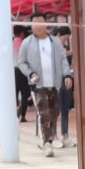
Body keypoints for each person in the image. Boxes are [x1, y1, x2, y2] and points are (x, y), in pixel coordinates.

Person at [16, 14, 68, 156]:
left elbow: (63, 59)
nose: (37, 26)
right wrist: (30, 73)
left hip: (55, 84)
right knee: (44, 113)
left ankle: (48, 138)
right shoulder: (27, 43)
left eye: (40, 23)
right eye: (34, 24)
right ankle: (46, 142)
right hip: (38, 85)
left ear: (46, 24)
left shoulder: (55, 42)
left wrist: (67, 75)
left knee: (54, 112)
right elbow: (21, 62)